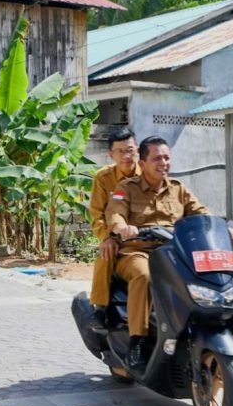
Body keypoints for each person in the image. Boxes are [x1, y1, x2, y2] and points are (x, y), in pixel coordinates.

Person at [106, 136, 210, 372]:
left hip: (174, 253)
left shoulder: (178, 189)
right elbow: (115, 213)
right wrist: (122, 227)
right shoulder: (126, 189)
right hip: (137, 253)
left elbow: (201, 213)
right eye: (156, 158)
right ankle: (137, 343)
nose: (163, 162)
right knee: (144, 276)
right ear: (142, 163)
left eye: (166, 157)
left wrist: (222, 226)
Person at [88, 128, 140, 327]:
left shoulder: (148, 173)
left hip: (145, 234)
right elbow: (97, 214)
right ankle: (100, 308)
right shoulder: (103, 178)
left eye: (130, 150)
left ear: (137, 149)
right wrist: (107, 237)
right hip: (116, 236)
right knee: (105, 254)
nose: (126, 156)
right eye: (120, 151)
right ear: (111, 154)